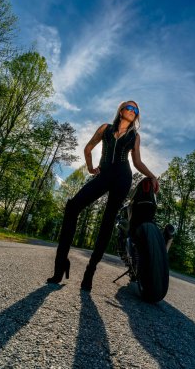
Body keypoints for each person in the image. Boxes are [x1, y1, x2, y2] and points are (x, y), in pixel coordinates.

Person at [47, 100, 159, 291]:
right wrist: (90, 168)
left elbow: (137, 162)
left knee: (107, 222)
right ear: (121, 110)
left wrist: (152, 176)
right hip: (103, 174)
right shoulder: (105, 128)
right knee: (73, 206)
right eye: (129, 107)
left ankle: (90, 271)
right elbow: (88, 147)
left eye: (136, 110)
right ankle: (61, 265)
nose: (133, 111)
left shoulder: (135, 136)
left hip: (123, 178)